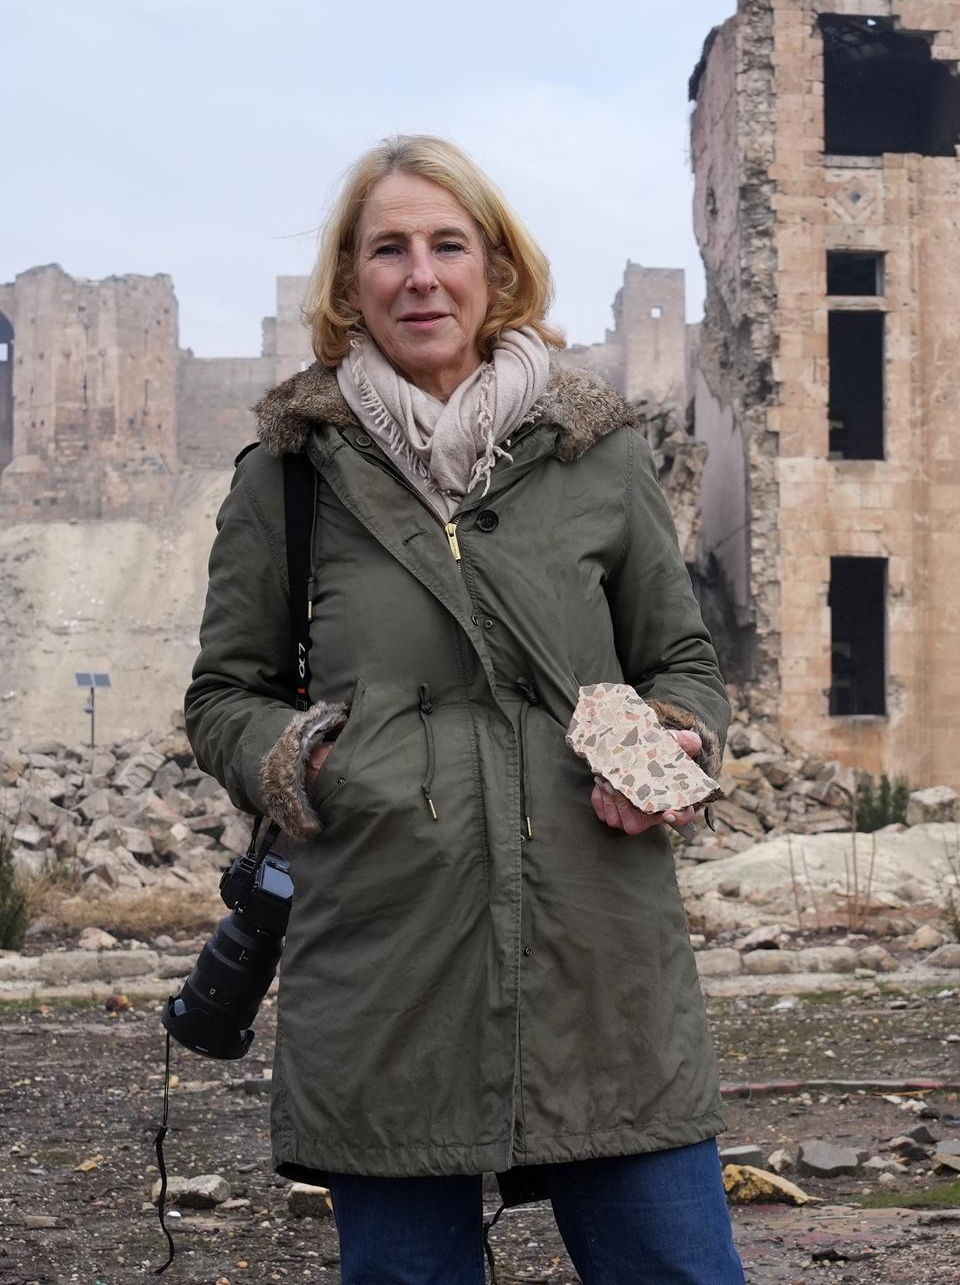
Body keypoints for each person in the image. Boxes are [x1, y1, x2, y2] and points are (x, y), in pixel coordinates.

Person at [185, 135, 745, 1285]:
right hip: (383, 962)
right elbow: (224, 695)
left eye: (449, 244)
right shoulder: (286, 476)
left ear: (499, 269)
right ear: (349, 284)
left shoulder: (598, 456)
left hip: (601, 960)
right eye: (388, 250)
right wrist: (310, 762)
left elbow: (683, 658)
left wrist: (676, 744)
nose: (421, 275)